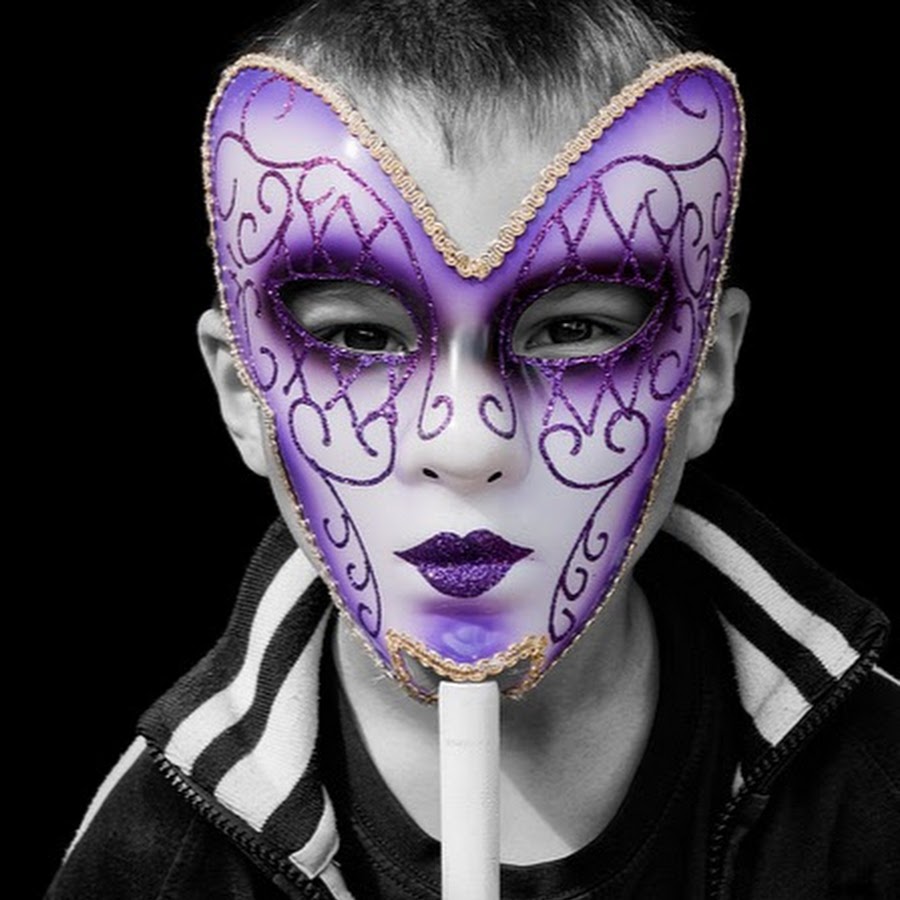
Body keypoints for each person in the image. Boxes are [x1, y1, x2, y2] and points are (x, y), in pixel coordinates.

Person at [47, 1, 898, 897]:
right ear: (240, 392)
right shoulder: (161, 861)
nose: (464, 444)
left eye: (572, 330)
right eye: (361, 340)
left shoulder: (872, 795)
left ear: (708, 373)